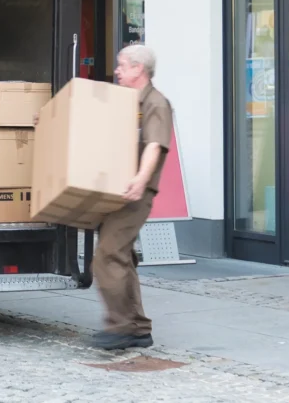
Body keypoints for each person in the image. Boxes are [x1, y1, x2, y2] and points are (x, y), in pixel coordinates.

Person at [90, 43, 174, 350]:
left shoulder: (156, 103)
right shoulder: (125, 102)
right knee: (122, 258)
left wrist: (140, 179)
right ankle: (138, 328)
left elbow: (155, 145)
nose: (117, 71)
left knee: (107, 256)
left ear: (139, 69)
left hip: (135, 193)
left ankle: (121, 326)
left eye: (122, 65)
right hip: (119, 189)